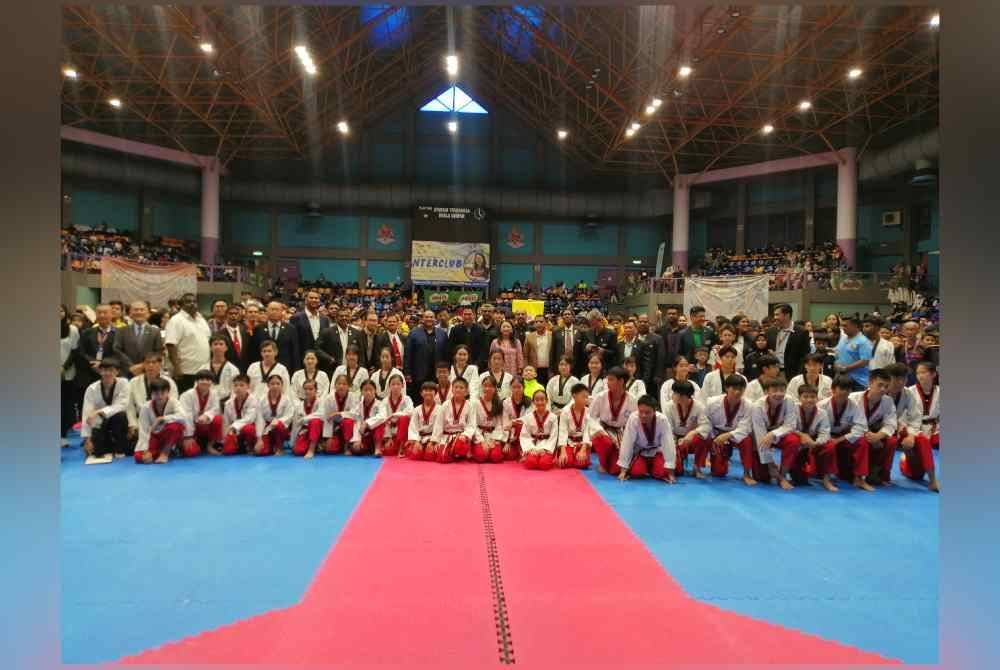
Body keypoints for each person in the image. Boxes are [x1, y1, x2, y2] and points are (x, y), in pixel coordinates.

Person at [819, 375, 876, 492]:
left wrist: (840, 439)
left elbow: (861, 427)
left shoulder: (854, 405)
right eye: (842, 389)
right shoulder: (822, 405)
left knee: (863, 442)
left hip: (843, 437)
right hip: (825, 436)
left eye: (848, 389)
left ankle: (859, 478)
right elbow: (818, 428)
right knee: (829, 445)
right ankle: (826, 479)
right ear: (833, 389)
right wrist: (829, 439)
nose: (845, 392)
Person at [704, 374, 756, 485]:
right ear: (726, 388)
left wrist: (728, 435)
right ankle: (712, 459)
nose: (737, 392)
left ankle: (747, 473)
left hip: (735, 434)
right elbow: (706, 422)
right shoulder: (711, 402)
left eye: (741, 389)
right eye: (734, 388)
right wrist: (714, 439)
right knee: (719, 472)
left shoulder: (749, 405)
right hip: (716, 434)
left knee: (747, 440)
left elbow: (745, 427)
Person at [850, 368, 898, 486]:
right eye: (880, 385)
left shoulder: (888, 401)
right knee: (863, 442)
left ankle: (879, 473)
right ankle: (859, 476)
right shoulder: (853, 398)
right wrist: (869, 436)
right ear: (870, 383)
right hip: (854, 434)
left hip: (874, 434)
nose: (883, 389)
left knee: (891, 441)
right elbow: (849, 422)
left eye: (886, 386)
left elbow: (891, 424)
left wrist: (878, 436)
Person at [750, 378, 799, 490]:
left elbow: (791, 425)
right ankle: (774, 471)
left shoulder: (789, 401)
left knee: (793, 440)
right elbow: (760, 437)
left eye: (782, 390)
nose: (779, 394)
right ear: (767, 392)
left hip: (779, 435)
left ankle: (783, 475)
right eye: (775, 390)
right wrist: (770, 464)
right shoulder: (757, 406)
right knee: (761, 477)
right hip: (761, 438)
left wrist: (773, 434)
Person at [616, 395, 676, 483]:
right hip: (641, 451)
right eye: (641, 412)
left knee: (662, 472)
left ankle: (653, 468)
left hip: (657, 451)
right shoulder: (633, 419)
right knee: (636, 472)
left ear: (654, 411)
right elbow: (627, 443)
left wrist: (670, 471)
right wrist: (623, 470)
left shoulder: (662, 420)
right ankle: (647, 467)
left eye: (647, 412)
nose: (643, 415)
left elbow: (668, 444)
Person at [589, 367, 638, 476]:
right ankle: (602, 463)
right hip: (602, 430)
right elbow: (591, 418)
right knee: (605, 441)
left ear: (621, 381)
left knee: (615, 470)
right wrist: (599, 430)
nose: (608, 383)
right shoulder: (601, 397)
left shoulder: (632, 400)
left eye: (611, 379)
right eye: (607, 379)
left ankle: (610, 461)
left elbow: (634, 423)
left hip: (619, 432)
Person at [80, 358, 130, 463]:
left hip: (118, 422)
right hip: (100, 424)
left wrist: (100, 411)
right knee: (97, 452)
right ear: (100, 371)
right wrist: (87, 439)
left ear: (117, 371)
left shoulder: (124, 383)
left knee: (120, 415)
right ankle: (107, 444)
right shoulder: (92, 389)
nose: (107, 373)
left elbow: (122, 405)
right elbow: (86, 414)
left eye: (111, 370)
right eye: (104, 370)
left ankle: (119, 447)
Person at [792, 384, 839, 492]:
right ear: (799, 398)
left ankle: (826, 480)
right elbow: (789, 427)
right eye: (805, 396)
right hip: (797, 439)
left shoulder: (822, 413)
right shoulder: (793, 409)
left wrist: (815, 443)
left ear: (817, 398)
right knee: (799, 479)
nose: (809, 400)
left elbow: (825, 433)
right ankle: (786, 474)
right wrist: (801, 435)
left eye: (812, 397)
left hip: (814, 441)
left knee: (830, 446)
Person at [663, 379, 712, 478]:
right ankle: (678, 460)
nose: (673, 395)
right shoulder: (669, 407)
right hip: (676, 440)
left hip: (691, 440)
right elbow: (667, 428)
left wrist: (692, 433)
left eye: (675, 393)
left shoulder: (699, 407)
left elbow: (706, 426)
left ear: (683, 396)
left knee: (705, 438)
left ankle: (697, 468)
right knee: (678, 471)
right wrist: (675, 441)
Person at [133, 378, 187, 464]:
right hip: (154, 437)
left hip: (169, 435)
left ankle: (165, 453)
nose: (160, 396)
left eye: (163, 393)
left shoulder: (174, 402)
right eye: (156, 393)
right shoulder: (145, 407)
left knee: (177, 426)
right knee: (138, 457)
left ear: (168, 392)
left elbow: (183, 417)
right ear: (151, 394)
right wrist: (145, 450)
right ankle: (163, 452)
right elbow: (144, 431)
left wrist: (162, 418)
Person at [164, 293, 211, 393]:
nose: (192, 304)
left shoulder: (201, 320)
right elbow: (171, 345)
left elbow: (206, 340)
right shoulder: (176, 320)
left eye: (194, 301)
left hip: (203, 370)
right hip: (185, 371)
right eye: (188, 302)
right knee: (185, 402)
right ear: (181, 305)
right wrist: (177, 368)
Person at [404, 309, 448, 402]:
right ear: (422, 319)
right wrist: (407, 372)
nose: (429, 319)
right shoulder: (414, 333)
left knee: (437, 399)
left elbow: (446, 354)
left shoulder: (442, 334)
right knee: (419, 400)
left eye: (431, 317)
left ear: (435, 319)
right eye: (426, 317)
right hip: (419, 374)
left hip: (437, 374)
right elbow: (408, 354)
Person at [178, 370, 224, 457]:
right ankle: (183, 444)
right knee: (191, 452)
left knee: (218, 419)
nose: (205, 382)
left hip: (204, 425)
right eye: (202, 379)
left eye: (208, 379)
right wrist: (188, 436)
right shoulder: (187, 395)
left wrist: (206, 415)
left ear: (212, 382)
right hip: (190, 428)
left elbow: (216, 409)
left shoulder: (214, 394)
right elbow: (185, 416)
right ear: (196, 381)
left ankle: (210, 445)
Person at [113, 300, 163, 377]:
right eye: (136, 310)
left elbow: (158, 351)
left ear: (148, 314)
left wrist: (143, 365)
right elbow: (117, 350)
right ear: (130, 314)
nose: (139, 312)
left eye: (142, 310)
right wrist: (131, 366)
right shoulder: (121, 330)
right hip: (126, 372)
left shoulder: (155, 331)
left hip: (148, 371)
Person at [432, 377, 475, 463]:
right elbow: (439, 424)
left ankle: (458, 452)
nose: (458, 390)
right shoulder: (445, 405)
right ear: (452, 389)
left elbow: (471, 425)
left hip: (461, 437)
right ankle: (455, 454)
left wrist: (465, 435)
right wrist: (435, 440)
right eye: (456, 387)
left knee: (460, 445)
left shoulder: (470, 405)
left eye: (461, 388)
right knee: (442, 458)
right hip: (447, 436)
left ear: (466, 391)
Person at [252, 301, 300, 372]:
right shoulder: (258, 329)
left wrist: (296, 371)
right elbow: (254, 351)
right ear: (267, 311)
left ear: (281, 312)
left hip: (285, 368)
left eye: (277, 309)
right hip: (263, 368)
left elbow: (295, 352)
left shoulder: (291, 329)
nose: (274, 312)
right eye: (272, 309)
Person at [253, 374, 294, 456]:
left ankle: (280, 447)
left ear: (282, 385)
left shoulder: (287, 400)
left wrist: (278, 421)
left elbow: (289, 416)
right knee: (261, 452)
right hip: (266, 427)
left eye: (278, 384)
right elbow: (259, 419)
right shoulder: (261, 400)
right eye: (272, 384)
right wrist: (259, 439)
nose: (275, 386)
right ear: (268, 385)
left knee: (279, 425)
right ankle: (271, 446)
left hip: (281, 428)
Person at [518, 389, 559, 470]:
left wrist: (545, 449)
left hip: (547, 446)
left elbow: (554, 436)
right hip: (533, 445)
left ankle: (544, 458)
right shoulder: (528, 417)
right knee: (530, 463)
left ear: (547, 401)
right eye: (537, 400)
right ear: (533, 402)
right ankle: (531, 457)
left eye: (542, 399)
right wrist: (531, 448)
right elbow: (524, 435)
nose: (540, 402)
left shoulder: (553, 417)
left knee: (544, 464)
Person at [767, 303, 811, 378]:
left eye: (777, 315)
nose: (775, 317)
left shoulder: (801, 332)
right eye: (774, 315)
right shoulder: (771, 331)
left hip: (791, 373)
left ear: (787, 315)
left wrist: (799, 375)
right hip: (772, 372)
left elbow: (804, 356)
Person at [315, 306, 362, 375]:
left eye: (346, 316)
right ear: (336, 318)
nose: (344, 318)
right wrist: (329, 359)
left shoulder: (356, 333)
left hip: (351, 369)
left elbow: (360, 351)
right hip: (331, 369)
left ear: (349, 317)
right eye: (341, 316)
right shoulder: (327, 332)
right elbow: (317, 348)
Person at [322, 374, 360, 455]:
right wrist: (328, 437)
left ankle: (346, 446)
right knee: (330, 449)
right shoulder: (329, 398)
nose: (341, 386)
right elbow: (327, 418)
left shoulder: (353, 397)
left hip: (349, 430)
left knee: (348, 421)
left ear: (348, 386)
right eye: (339, 384)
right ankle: (338, 444)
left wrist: (340, 414)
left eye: (344, 384)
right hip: (335, 429)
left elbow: (355, 414)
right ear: (335, 385)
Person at [557, 384, 592, 469]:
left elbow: (588, 432)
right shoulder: (565, 412)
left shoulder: (589, 412)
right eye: (583, 396)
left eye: (587, 397)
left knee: (582, 464)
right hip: (569, 442)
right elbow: (562, 431)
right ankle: (570, 455)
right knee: (565, 463)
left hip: (582, 443)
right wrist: (563, 451)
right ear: (574, 396)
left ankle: (578, 455)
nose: (586, 400)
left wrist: (583, 449)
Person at [472, 376, 506, 464]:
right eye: (485, 386)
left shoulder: (498, 403)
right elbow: (472, 424)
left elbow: (499, 425)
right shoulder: (475, 403)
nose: (487, 388)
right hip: (480, 435)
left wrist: (494, 439)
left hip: (493, 435)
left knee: (496, 457)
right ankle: (474, 449)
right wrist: (482, 441)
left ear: (495, 388)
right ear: (482, 387)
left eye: (490, 386)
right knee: (481, 456)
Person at [377, 375, 412, 457]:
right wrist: (388, 437)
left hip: (402, 433)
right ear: (389, 386)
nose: (395, 387)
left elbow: (410, 412)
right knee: (388, 451)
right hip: (390, 432)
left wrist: (394, 415)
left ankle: (402, 447)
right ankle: (390, 442)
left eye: (398, 384)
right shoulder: (385, 401)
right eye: (393, 384)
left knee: (404, 418)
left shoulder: (407, 399)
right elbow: (383, 418)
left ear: (402, 385)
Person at [60, 304, 80, 447]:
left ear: (65, 313)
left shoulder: (72, 330)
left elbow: (75, 352)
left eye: (60, 310)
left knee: (65, 404)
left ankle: (62, 434)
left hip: (67, 373)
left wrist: (63, 367)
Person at [406, 382, 442, 461]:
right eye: (425, 390)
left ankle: (427, 449)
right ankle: (421, 448)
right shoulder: (416, 409)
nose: (428, 392)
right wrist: (416, 441)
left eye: (431, 390)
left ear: (436, 393)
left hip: (432, 437)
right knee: (413, 455)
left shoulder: (440, 409)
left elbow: (439, 427)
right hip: (419, 437)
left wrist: (433, 442)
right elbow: (413, 427)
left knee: (430, 456)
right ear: (421, 393)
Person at [222, 375, 257, 455]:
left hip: (250, 430)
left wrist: (234, 427)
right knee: (228, 451)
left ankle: (250, 446)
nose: (238, 388)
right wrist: (225, 439)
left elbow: (249, 419)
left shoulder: (254, 401)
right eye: (236, 385)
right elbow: (226, 422)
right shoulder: (228, 403)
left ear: (248, 386)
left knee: (248, 428)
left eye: (241, 385)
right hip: (234, 431)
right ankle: (238, 445)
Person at [835, 316, 873, 391]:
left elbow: (865, 361)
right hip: (841, 377)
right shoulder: (843, 338)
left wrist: (846, 368)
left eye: (845, 325)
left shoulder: (863, 341)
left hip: (857, 380)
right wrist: (836, 364)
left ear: (855, 326)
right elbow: (838, 353)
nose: (843, 328)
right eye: (842, 325)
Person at [350, 380, 386, 456]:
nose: (368, 392)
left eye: (370, 390)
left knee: (380, 423)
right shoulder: (358, 406)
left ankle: (377, 448)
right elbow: (356, 422)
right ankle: (361, 446)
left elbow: (382, 416)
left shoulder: (380, 404)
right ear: (361, 392)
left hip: (376, 435)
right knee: (356, 450)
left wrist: (366, 423)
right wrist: (357, 440)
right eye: (365, 390)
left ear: (375, 391)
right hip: (363, 435)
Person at [290, 290, 330, 359]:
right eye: (311, 298)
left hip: (322, 359)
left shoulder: (325, 319)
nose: (314, 300)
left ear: (319, 301)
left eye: (316, 298)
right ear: (306, 300)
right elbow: (293, 341)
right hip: (303, 358)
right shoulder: (296, 318)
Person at [291, 379, 325, 458]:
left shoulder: (321, 402)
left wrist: (305, 419)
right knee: (298, 451)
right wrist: (293, 442)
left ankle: (311, 450)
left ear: (316, 390)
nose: (308, 391)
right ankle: (317, 445)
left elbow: (321, 415)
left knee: (315, 421)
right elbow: (295, 425)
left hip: (320, 431)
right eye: (305, 389)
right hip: (306, 431)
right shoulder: (299, 405)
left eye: (310, 389)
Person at [501, 377, 531, 462]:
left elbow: (528, 420)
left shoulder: (529, 402)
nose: (516, 390)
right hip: (511, 436)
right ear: (510, 388)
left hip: (525, 434)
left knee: (520, 424)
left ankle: (524, 450)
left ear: (524, 387)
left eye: (519, 387)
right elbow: (505, 423)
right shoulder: (506, 402)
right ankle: (516, 448)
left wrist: (513, 422)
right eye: (514, 387)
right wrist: (507, 442)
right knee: (508, 455)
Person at [635, 313, 667, 393]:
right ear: (637, 323)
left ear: (649, 323)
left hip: (652, 376)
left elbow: (661, 358)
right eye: (640, 322)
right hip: (635, 375)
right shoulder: (633, 337)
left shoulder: (657, 338)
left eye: (645, 322)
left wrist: (658, 375)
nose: (642, 324)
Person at [207, 335, 240, 404]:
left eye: (221, 344)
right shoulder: (204, 368)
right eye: (215, 344)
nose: (218, 347)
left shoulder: (233, 369)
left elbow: (235, 391)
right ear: (210, 347)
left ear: (226, 348)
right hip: (207, 403)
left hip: (226, 404)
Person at [220, 305, 253, 373]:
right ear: (226, 316)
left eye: (236, 314)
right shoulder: (220, 334)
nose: (233, 316)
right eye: (231, 313)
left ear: (240, 316)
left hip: (245, 369)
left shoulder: (246, 332)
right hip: (228, 370)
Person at [523, 316, 554, 385]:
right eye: (536, 322)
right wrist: (526, 369)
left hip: (549, 370)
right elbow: (525, 355)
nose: (538, 323)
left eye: (541, 322)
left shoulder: (552, 335)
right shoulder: (529, 337)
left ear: (546, 323)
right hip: (534, 370)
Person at [552, 309, 582, 377]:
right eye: (565, 314)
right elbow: (552, 351)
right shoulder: (556, 331)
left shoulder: (580, 331)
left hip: (576, 366)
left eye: (569, 314)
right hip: (561, 365)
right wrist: (551, 369)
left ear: (573, 317)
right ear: (562, 317)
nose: (567, 316)